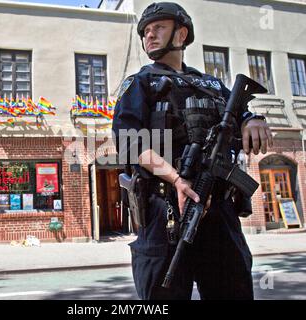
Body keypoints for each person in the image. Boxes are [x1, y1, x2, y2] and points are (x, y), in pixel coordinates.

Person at [112, 2, 273, 300]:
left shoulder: (210, 84)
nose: (150, 35)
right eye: (146, 31)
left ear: (181, 33)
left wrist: (253, 120)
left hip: (219, 211)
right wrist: (176, 179)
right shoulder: (141, 83)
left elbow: (240, 113)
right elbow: (129, 141)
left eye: (158, 27)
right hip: (166, 211)